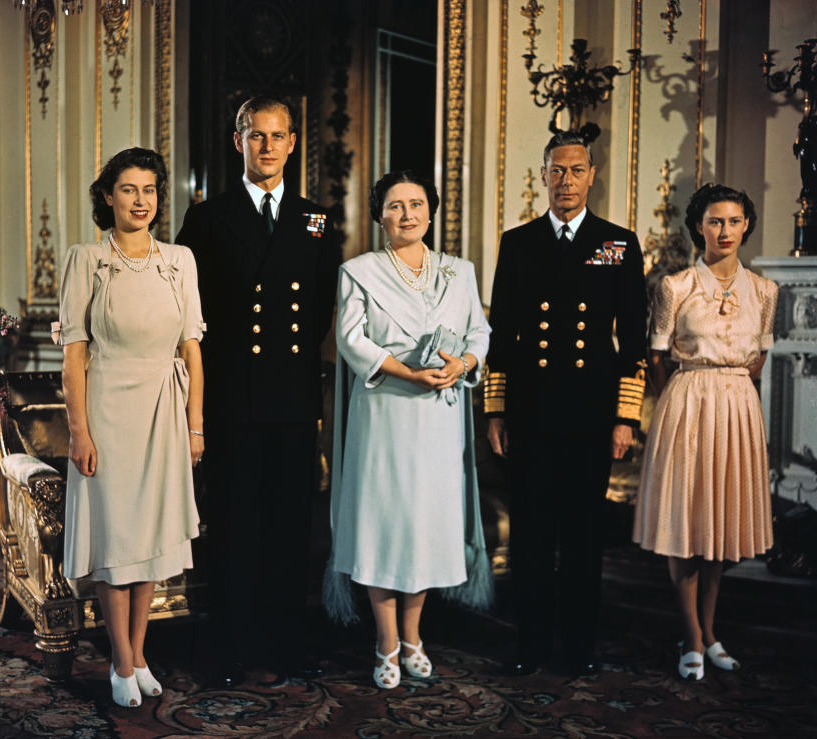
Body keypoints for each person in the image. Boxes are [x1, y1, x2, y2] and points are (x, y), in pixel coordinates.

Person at [176, 96, 341, 687]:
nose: (268, 147)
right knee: (233, 525)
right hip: (233, 396)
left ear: (293, 143)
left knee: (291, 526)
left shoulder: (317, 219)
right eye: (257, 136)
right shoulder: (206, 218)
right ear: (238, 140)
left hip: (293, 397)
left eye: (278, 136)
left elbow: (321, 307)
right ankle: (227, 646)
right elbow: (188, 311)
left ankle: (286, 642)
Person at [485, 131, 648, 676]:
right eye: (557, 170)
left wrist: (627, 417)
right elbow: (501, 332)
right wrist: (496, 411)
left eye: (576, 171)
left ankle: (579, 649)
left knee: (582, 537)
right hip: (531, 412)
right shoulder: (519, 241)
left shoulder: (617, 243)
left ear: (592, 175)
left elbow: (635, 337)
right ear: (544, 174)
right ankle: (530, 646)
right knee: (531, 536)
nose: (566, 181)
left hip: (590, 413)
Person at [324, 170, 493, 689]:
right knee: (384, 522)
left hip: (439, 418)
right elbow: (351, 341)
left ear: (431, 210)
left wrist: (462, 364)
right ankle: (385, 642)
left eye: (416, 204)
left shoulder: (458, 271)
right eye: (395, 206)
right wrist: (407, 372)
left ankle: (414, 636)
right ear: (380, 215)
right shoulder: (359, 271)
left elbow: (479, 332)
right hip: (385, 413)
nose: (407, 214)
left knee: (425, 526)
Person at [57, 147, 205, 708]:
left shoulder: (180, 260)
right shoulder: (85, 259)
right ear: (107, 197)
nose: (140, 201)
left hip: (165, 411)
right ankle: (119, 662)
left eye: (149, 190)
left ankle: (140, 654)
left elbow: (191, 351)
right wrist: (79, 431)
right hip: (108, 410)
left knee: (147, 543)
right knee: (117, 541)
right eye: (128, 190)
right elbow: (73, 358)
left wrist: (195, 427)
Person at [633, 184, 777, 680]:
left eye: (735, 221)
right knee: (686, 523)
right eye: (716, 221)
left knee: (721, 524)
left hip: (737, 407)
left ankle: (711, 632)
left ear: (746, 226)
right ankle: (691, 637)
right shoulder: (673, 288)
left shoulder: (765, 291)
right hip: (688, 402)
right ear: (699, 226)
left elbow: (758, 358)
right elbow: (656, 356)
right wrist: (688, 394)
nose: (726, 231)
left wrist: (729, 389)